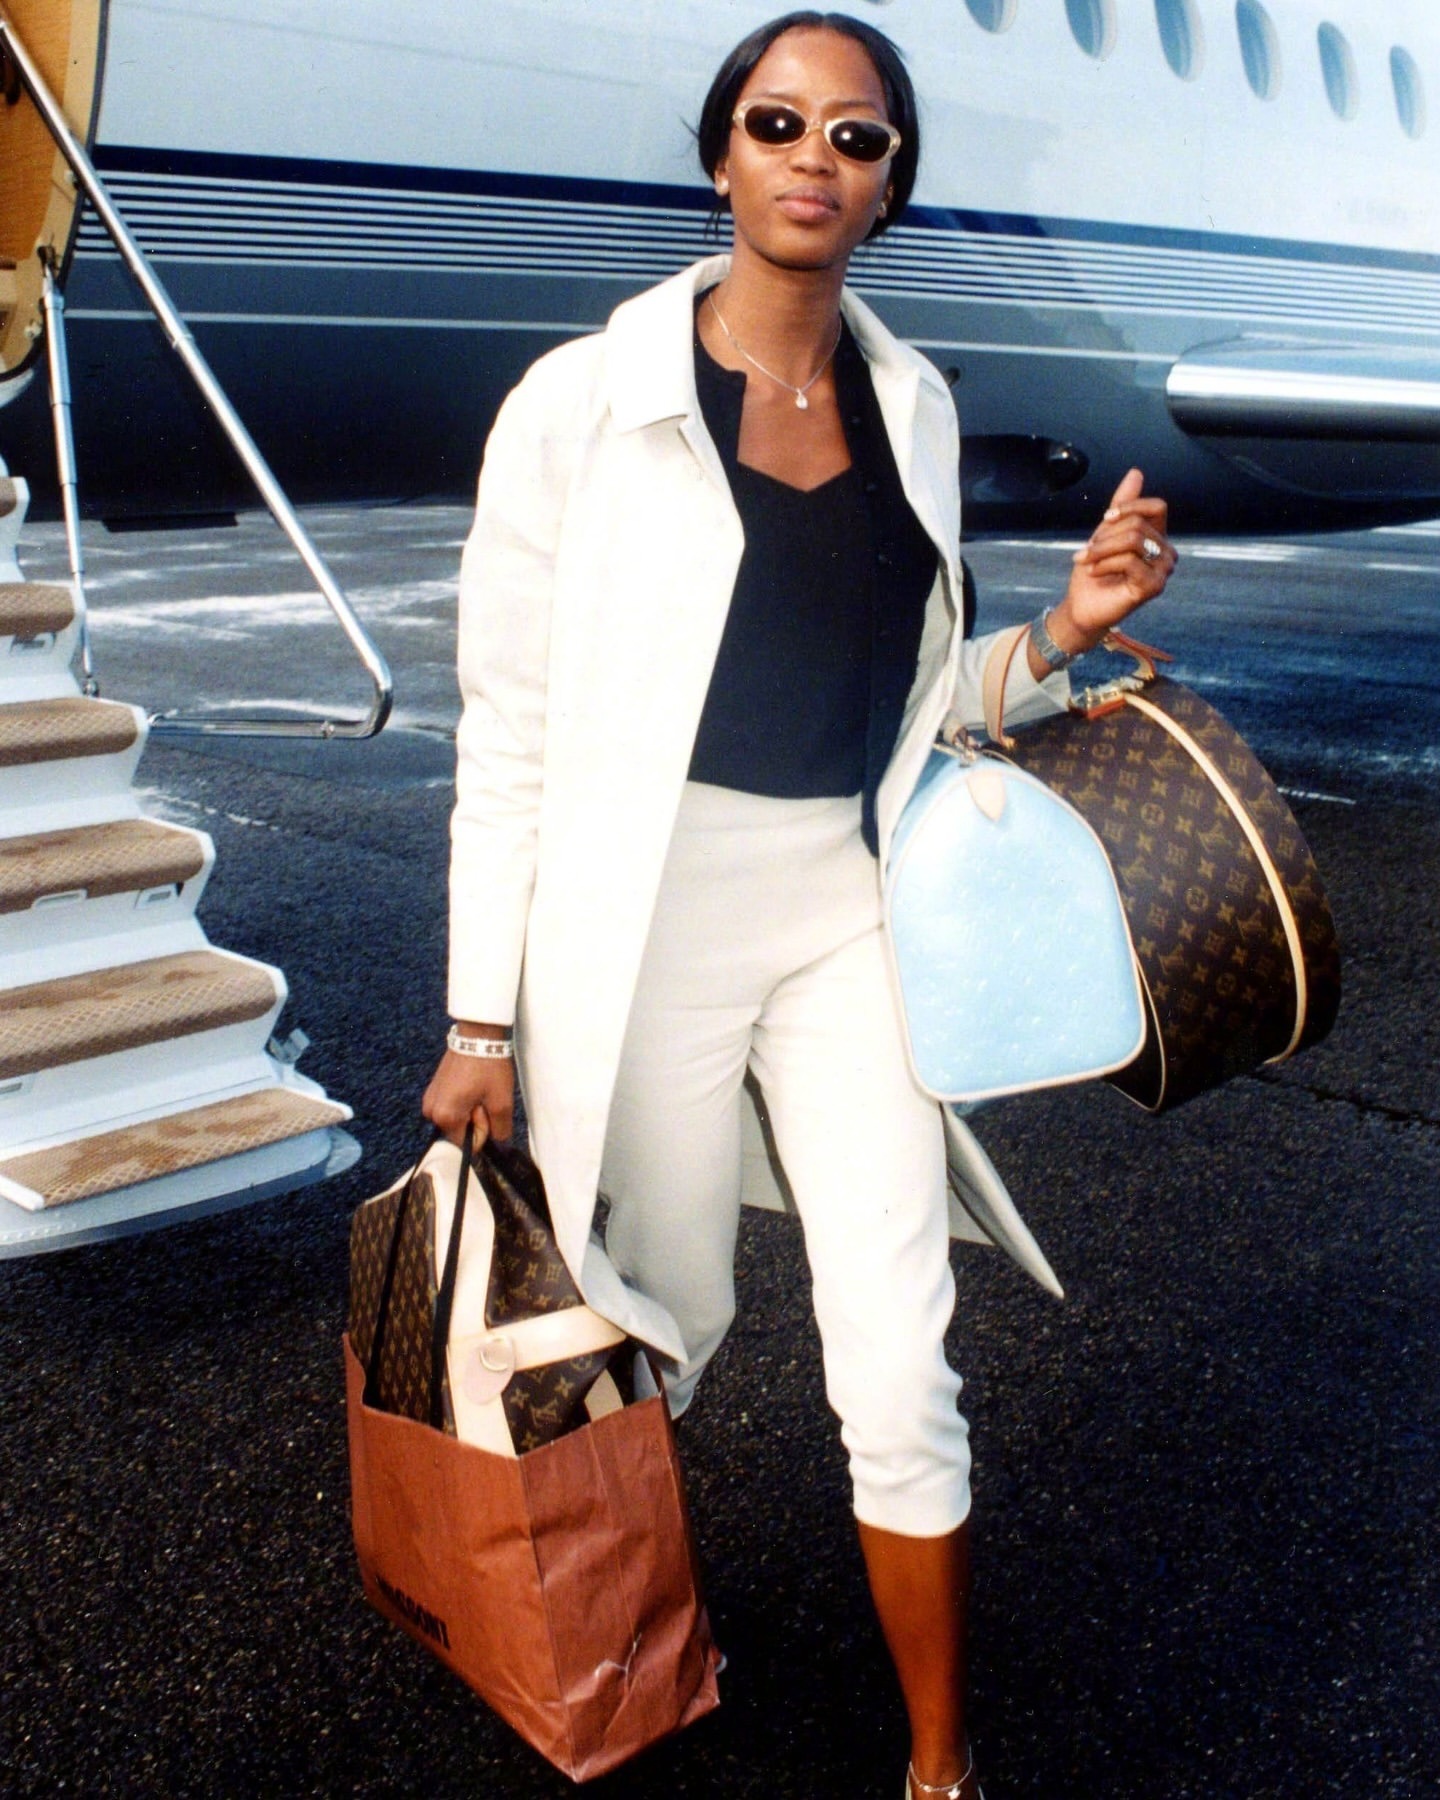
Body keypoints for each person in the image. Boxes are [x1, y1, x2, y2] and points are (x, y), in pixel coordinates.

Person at [423, 12, 1177, 1797]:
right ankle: (630, 1641)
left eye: (857, 137)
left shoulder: (915, 402)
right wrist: (478, 1020)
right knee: (662, 1320)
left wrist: (1060, 635)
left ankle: (939, 1764)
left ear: (892, 182)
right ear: (721, 157)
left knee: (901, 1364)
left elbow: (913, 704)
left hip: (844, 910)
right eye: (778, 125)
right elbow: (509, 734)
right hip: (647, 930)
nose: (813, 161)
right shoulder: (579, 403)